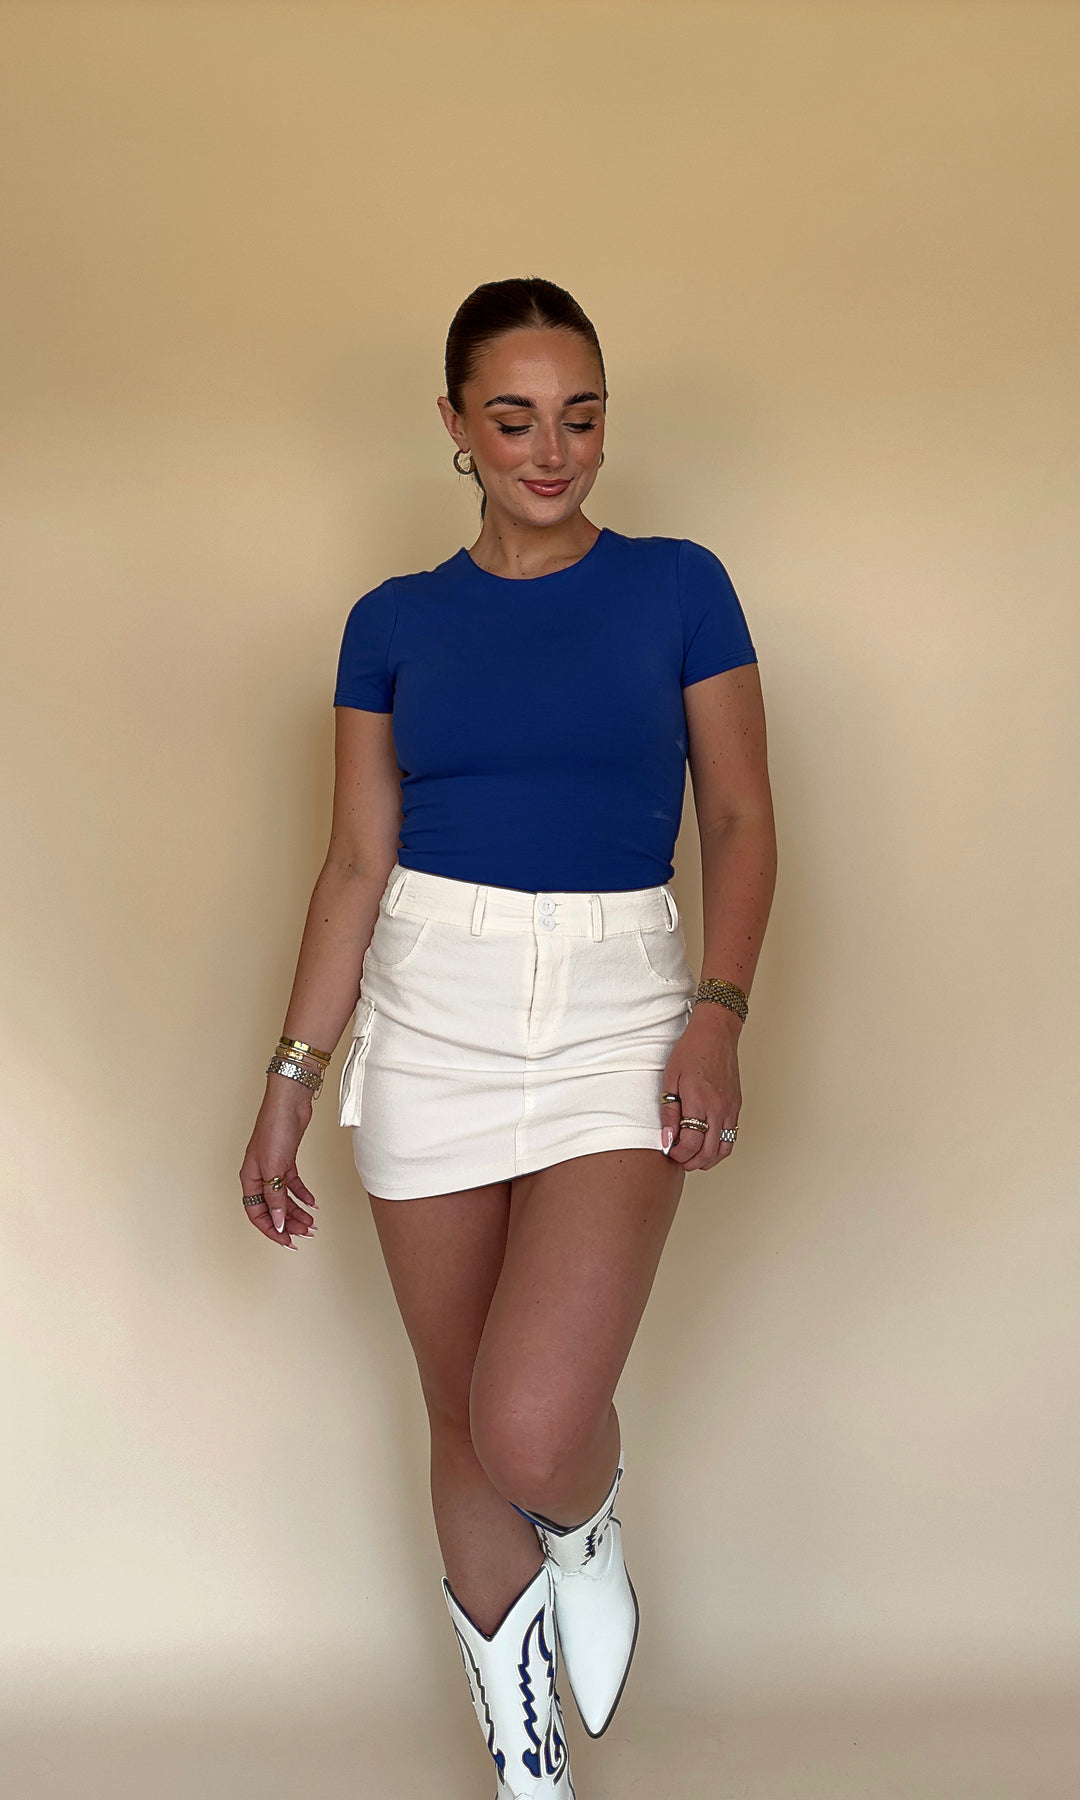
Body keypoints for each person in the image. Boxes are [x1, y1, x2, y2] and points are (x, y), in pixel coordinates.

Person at [239, 276, 777, 1799]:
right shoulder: (392, 622)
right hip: (429, 1007)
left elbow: (740, 823)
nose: (553, 451)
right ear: (457, 426)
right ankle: (525, 1759)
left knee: (531, 1425)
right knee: (458, 1412)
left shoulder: (679, 588)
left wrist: (718, 1015)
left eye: (581, 418)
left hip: (618, 1002)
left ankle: (585, 1525)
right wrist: (291, 1083)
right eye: (517, 418)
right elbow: (357, 862)